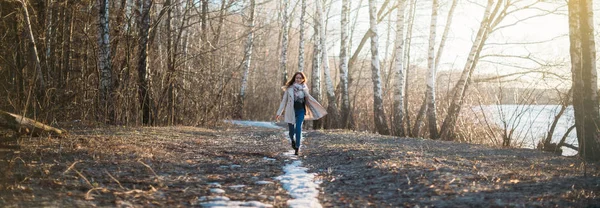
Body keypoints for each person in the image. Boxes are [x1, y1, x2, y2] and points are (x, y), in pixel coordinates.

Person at [275, 72, 327, 155]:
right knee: (291, 131)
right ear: (294, 79)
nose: (298, 79)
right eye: (296, 78)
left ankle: (297, 147)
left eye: (300, 78)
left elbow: (309, 100)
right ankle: (292, 140)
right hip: (291, 111)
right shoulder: (289, 89)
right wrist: (279, 112)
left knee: (298, 128)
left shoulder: (305, 89)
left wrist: (306, 93)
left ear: (303, 79)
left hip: (301, 111)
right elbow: (284, 101)